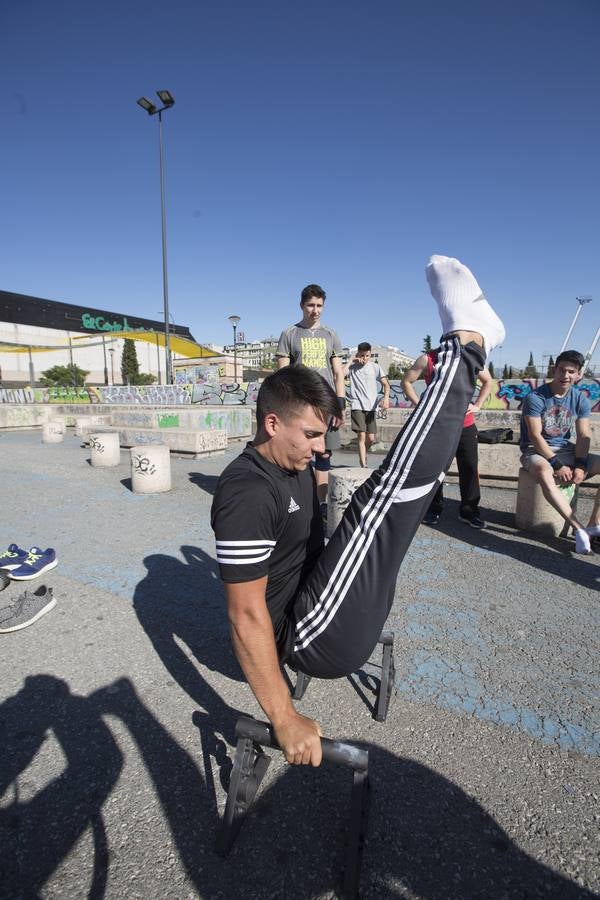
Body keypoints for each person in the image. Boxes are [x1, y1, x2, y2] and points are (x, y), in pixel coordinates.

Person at [212, 254, 505, 767]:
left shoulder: (293, 462)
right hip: (309, 638)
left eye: (324, 434)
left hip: (318, 602)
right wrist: (283, 716)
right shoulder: (246, 492)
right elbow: (244, 615)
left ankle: (467, 347)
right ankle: (465, 348)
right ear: (271, 423)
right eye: (310, 434)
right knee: (384, 499)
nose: (320, 447)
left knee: (380, 504)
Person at [520, 350, 600, 554]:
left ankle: (593, 524)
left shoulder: (580, 399)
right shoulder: (535, 397)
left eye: (571, 371)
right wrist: (557, 464)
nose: (565, 375)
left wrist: (580, 465)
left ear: (579, 374)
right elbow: (535, 436)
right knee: (544, 472)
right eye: (562, 370)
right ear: (554, 370)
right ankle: (579, 529)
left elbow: (583, 435)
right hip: (537, 451)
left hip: (567, 449)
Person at [275, 284, 346, 511]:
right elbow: (283, 374)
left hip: (325, 404)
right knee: (299, 452)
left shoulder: (331, 335)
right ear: (301, 305)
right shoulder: (289, 334)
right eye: (310, 305)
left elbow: (337, 373)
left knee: (324, 454)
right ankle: (299, 502)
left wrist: (340, 404)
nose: (315, 310)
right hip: (298, 404)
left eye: (319, 306)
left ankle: (321, 505)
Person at [402, 354, 492, 527]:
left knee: (470, 468)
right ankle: (433, 509)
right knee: (434, 468)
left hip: (465, 425)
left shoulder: (471, 357)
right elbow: (406, 382)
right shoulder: (428, 359)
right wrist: (421, 405)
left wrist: (478, 404)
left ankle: (469, 511)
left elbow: (487, 381)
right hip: (438, 425)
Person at [346, 342, 390, 468]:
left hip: (371, 407)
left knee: (370, 438)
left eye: (367, 356)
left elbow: (386, 384)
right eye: (362, 355)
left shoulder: (375, 367)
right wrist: (350, 360)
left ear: (370, 354)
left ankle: (363, 453)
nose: (364, 358)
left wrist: (386, 399)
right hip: (357, 404)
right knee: (361, 435)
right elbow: (339, 374)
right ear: (357, 354)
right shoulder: (352, 367)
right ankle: (363, 464)